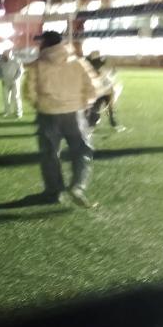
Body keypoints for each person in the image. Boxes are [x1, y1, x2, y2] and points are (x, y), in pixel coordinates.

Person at [24, 31, 100, 209]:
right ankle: (77, 186)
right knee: (81, 150)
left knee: (49, 154)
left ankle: (54, 191)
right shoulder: (79, 63)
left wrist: (41, 104)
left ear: (45, 44)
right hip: (74, 114)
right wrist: (84, 104)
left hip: (47, 114)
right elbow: (93, 88)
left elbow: (29, 91)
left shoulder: (38, 65)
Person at [86, 53, 124, 132]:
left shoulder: (104, 70)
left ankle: (113, 123)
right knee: (95, 110)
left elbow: (111, 77)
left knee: (110, 110)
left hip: (107, 92)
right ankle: (91, 125)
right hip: (98, 93)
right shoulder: (90, 71)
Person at [0, 48, 24, 119]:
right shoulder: (1, 62)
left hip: (15, 82)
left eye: (5, 55)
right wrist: (1, 78)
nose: (4, 56)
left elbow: (20, 71)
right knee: (6, 97)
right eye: (4, 55)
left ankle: (18, 112)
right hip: (5, 82)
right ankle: (7, 111)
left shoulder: (17, 61)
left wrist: (16, 79)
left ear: (10, 54)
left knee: (16, 97)